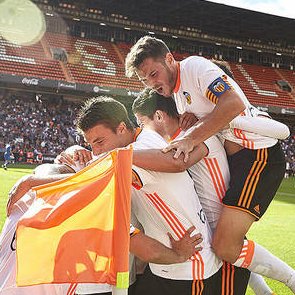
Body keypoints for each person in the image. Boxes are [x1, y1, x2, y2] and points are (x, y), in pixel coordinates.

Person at [125, 36, 294, 292]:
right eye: (144, 80)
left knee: (225, 245)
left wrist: (190, 137)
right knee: (228, 242)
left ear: (170, 59)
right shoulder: (180, 95)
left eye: (153, 74)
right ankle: (266, 290)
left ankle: (291, 279)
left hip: (257, 156)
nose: (151, 83)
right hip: (238, 160)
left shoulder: (194, 67)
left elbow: (233, 103)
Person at [61, 96, 250, 294]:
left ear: (122, 128)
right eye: (91, 144)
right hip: (170, 263)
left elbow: (90, 187)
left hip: (188, 266)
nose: (97, 150)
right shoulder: (143, 140)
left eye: (99, 142)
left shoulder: (137, 153)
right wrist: (84, 154)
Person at [1, 162, 200, 295]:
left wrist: (31, 182)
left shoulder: (18, 205)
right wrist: (179, 256)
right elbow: (144, 248)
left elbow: (47, 176)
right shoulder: (81, 212)